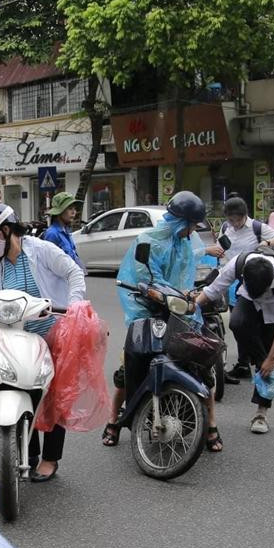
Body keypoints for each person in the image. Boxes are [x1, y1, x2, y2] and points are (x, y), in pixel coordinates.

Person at [0, 202, 87, 480]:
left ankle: (50, 458)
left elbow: (74, 273)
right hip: (21, 339)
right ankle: (31, 452)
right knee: (24, 389)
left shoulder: (40, 250)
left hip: (55, 333)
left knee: (54, 396)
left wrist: (72, 306)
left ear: (5, 230)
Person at [103, 191, 222, 451]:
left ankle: (211, 424)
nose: (192, 231)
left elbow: (191, 269)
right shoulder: (147, 242)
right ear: (180, 222)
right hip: (146, 310)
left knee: (203, 366)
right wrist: (156, 293)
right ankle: (114, 421)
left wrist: (190, 294)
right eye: (191, 225)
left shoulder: (185, 243)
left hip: (179, 309)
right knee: (129, 367)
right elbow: (146, 276)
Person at [197, 251, 274, 435]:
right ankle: (262, 362)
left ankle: (261, 413)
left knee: (270, 360)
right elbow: (213, 290)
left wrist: (272, 357)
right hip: (248, 302)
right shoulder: (238, 264)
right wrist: (191, 309)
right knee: (237, 322)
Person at [207, 197, 274, 383]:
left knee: (261, 322)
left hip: (256, 279)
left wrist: (266, 243)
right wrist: (217, 253)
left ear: (245, 215)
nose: (234, 223)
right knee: (239, 323)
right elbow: (222, 248)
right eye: (231, 219)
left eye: (238, 220)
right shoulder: (226, 228)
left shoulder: (257, 227)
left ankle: (267, 359)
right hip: (233, 279)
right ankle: (243, 363)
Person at [42, 191, 83, 268]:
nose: (74, 212)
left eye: (75, 209)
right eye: (70, 209)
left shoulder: (66, 231)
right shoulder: (52, 234)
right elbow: (49, 264)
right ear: (59, 212)